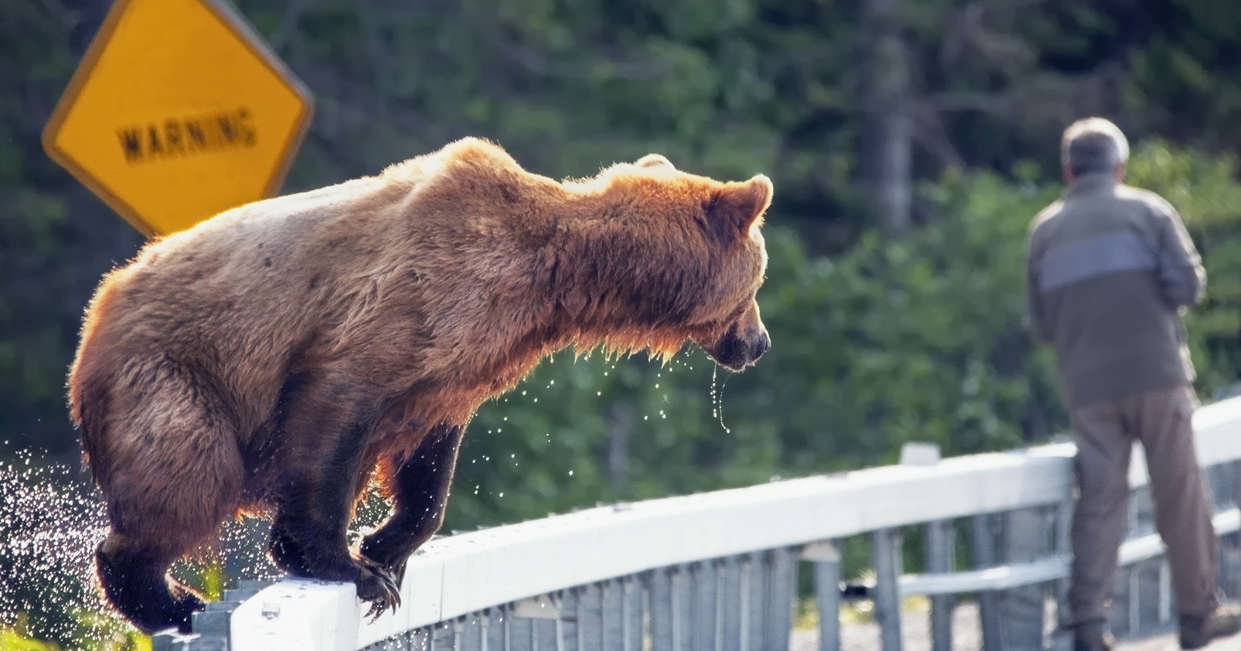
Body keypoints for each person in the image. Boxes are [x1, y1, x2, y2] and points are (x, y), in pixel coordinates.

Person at [1026, 117, 1241, 651]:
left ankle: (1089, 626)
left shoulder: (1045, 230)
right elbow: (1188, 286)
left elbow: (1041, 325)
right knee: (1179, 493)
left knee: (1098, 503)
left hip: (1088, 388)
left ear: (1068, 170)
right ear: (1119, 167)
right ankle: (1197, 616)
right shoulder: (1149, 210)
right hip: (1157, 376)